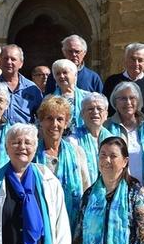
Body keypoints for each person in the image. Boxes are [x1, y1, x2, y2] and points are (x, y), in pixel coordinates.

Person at [35, 96, 90, 226]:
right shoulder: (32, 153)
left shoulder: (77, 152)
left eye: (60, 119)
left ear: (66, 124)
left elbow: (86, 188)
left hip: (72, 222)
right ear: (41, 121)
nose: (54, 124)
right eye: (49, 118)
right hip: (40, 221)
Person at [105, 81, 144, 193]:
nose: (128, 102)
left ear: (138, 101)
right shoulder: (106, 127)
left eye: (132, 98)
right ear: (115, 102)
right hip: (115, 189)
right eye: (123, 98)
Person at [102, 43, 144, 119]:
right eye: (133, 59)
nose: (136, 64)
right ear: (125, 61)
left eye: (140, 60)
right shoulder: (112, 81)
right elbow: (105, 108)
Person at [0, 44, 42, 124]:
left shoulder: (32, 89)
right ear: (0, 61)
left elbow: (41, 116)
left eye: (13, 59)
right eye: (5, 58)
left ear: (21, 63)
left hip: (24, 134)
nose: (9, 62)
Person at [72, 93, 113, 184]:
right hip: (83, 192)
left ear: (106, 114)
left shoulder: (114, 140)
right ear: (82, 114)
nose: (95, 112)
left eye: (99, 109)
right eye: (90, 109)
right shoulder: (72, 140)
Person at [51, 58, 90, 132]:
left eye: (65, 72)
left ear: (75, 75)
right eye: (58, 74)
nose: (62, 76)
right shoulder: (49, 100)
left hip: (83, 138)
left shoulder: (87, 97)